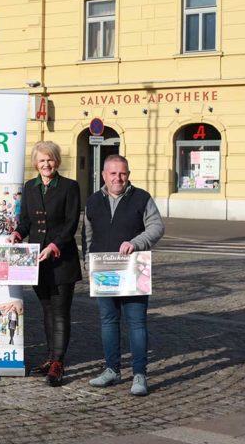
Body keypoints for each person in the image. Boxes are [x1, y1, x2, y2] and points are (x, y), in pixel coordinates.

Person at [83, 154, 164, 396]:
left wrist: (137, 242)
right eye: (113, 173)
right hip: (104, 269)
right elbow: (88, 238)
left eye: (123, 173)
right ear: (104, 175)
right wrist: (89, 266)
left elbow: (157, 227)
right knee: (108, 322)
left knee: (136, 323)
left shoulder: (141, 198)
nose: (118, 178)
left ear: (128, 175)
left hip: (133, 269)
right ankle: (112, 370)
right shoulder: (93, 201)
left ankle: (139, 374)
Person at [7, 141, 82, 387]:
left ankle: (59, 363)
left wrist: (53, 246)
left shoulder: (70, 187)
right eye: (42, 160)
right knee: (47, 310)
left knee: (60, 312)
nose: (46, 164)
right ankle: (50, 358)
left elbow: (71, 224)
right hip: (36, 259)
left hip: (61, 259)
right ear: (35, 163)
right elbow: (27, 221)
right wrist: (17, 234)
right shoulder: (30, 187)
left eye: (50, 160)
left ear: (56, 161)